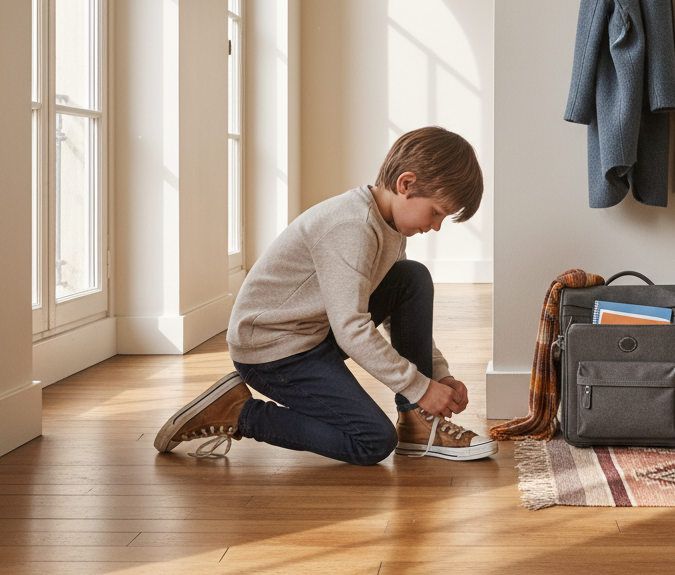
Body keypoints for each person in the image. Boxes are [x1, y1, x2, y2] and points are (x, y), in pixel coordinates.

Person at [153, 127, 496, 464]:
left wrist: (437, 375)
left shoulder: (390, 225)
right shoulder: (352, 226)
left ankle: (417, 422)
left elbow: (397, 312)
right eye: (436, 212)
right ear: (405, 184)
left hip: (313, 333)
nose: (436, 226)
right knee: (373, 441)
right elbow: (352, 329)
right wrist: (419, 387)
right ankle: (239, 413)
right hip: (272, 351)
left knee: (411, 278)